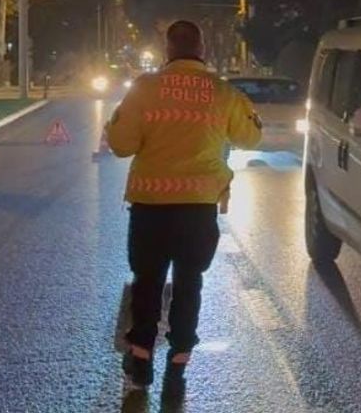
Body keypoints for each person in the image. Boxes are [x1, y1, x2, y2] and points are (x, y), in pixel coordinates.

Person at [107, 20, 262, 398]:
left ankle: (141, 359)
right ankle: (180, 357)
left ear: (167, 50)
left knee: (148, 282)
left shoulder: (145, 89)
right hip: (198, 207)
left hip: (151, 206)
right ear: (202, 47)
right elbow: (251, 135)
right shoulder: (223, 92)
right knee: (190, 281)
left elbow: (121, 144)